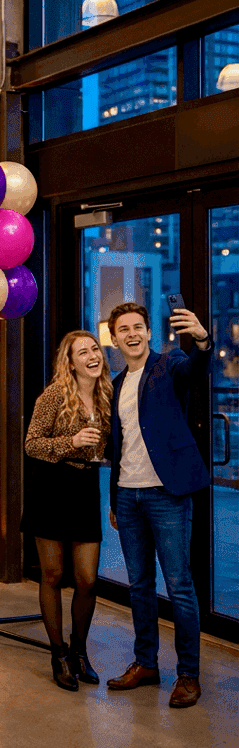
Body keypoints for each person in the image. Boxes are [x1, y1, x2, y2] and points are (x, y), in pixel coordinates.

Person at [105, 300, 212, 709]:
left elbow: (198, 369)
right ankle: (145, 663)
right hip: (128, 496)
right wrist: (116, 498)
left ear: (149, 332)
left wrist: (202, 338)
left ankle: (188, 675)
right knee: (139, 586)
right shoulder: (116, 384)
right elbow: (119, 448)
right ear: (113, 339)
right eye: (123, 329)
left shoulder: (170, 365)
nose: (131, 334)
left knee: (180, 587)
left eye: (138, 327)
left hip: (166, 494)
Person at [22, 331, 112, 691]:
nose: (92, 355)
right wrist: (71, 442)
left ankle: (79, 651)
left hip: (87, 488)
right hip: (52, 488)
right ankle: (58, 653)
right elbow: (31, 444)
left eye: (95, 349)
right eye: (82, 352)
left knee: (88, 578)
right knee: (54, 575)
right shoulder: (54, 396)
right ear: (70, 362)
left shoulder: (108, 395)